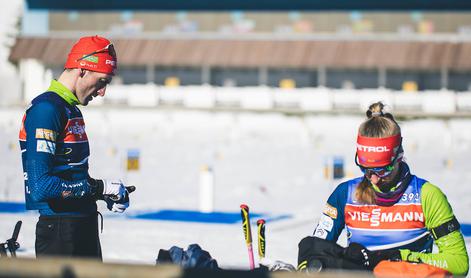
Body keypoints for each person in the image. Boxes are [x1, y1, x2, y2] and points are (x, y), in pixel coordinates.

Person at [298, 102, 468, 276]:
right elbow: (316, 251)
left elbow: (459, 263)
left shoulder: (427, 196)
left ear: (398, 156)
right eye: (365, 168)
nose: (373, 178)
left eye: (382, 169)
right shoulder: (345, 194)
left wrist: (401, 257)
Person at [19, 35, 133, 260]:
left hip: (81, 225)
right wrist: (99, 188)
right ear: (82, 70)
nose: (102, 92)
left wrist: (102, 195)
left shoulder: (70, 109)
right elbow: (41, 186)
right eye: (102, 81)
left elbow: (70, 177)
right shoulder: (46, 110)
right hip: (60, 232)